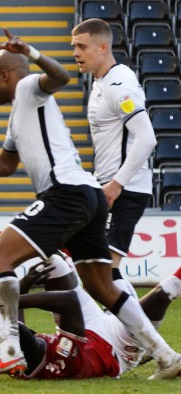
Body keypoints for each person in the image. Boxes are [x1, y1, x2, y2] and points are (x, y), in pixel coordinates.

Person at [0, 29, 181, 379]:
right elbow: (6, 164)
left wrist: (28, 50)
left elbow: (59, 76)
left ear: (5, 75)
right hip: (88, 194)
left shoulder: (29, 86)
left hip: (65, 192)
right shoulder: (19, 113)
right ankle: (166, 356)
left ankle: (10, 350)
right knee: (101, 286)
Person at [0, 253, 174, 380]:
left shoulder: (24, 362)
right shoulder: (62, 356)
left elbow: (18, 328)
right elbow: (68, 301)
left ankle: (78, 249)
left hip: (86, 328)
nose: (38, 335)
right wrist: (4, 303)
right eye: (32, 334)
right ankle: (159, 352)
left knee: (53, 263)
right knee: (163, 293)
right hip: (118, 348)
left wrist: (25, 285)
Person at [72, 18, 158, 299]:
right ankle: (137, 332)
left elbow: (147, 137)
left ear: (103, 47)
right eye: (74, 46)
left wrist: (116, 184)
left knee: (104, 273)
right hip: (107, 186)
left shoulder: (119, 85)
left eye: (82, 46)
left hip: (126, 188)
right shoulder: (100, 82)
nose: (76, 53)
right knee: (95, 272)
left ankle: (141, 333)